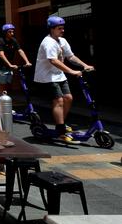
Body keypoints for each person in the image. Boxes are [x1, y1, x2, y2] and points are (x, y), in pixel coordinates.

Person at [34, 15, 94, 143]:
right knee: (59, 100)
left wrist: (84, 65)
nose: (62, 30)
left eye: (63, 28)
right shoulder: (48, 42)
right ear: (52, 29)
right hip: (47, 76)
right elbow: (53, 60)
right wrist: (71, 71)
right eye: (59, 28)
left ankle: (60, 125)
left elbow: (71, 56)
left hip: (59, 75)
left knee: (68, 98)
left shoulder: (62, 41)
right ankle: (61, 132)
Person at [0, 23, 32, 96]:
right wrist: (10, 64)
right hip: (0, 67)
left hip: (9, 67)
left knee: (8, 85)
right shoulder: (1, 41)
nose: (12, 33)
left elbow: (20, 51)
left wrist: (27, 62)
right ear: (5, 32)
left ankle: (4, 100)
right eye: (10, 32)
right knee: (2, 85)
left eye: (12, 31)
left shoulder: (14, 40)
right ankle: (0, 102)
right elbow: (1, 55)